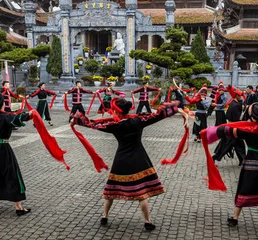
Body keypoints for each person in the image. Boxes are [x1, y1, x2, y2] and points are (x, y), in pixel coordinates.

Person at [71, 98, 180, 230]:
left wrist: (76, 120)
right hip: (139, 158)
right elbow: (157, 116)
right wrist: (175, 109)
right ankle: (147, 221)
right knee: (142, 194)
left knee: (111, 191)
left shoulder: (115, 125)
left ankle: (104, 216)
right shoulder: (139, 120)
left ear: (117, 112)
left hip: (121, 159)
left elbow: (93, 124)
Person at [213, 90, 245, 165]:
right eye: (239, 96)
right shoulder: (235, 105)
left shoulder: (233, 103)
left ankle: (243, 160)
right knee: (226, 146)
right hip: (233, 129)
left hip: (232, 128)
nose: (241, 97)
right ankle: (213, 158)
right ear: (236, 96)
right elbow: (236, 118)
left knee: (239, 145)